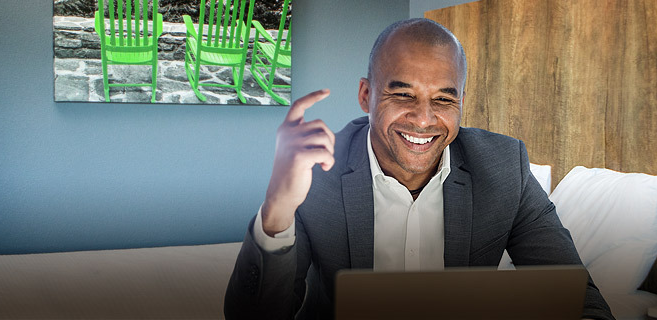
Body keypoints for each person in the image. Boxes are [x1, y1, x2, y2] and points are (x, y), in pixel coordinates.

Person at [224, 18, 614, 320]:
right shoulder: (317, 174)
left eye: (443, 99)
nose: (424, 120)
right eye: (403, 94)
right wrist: (277, 208)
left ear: (461, 100)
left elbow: (579, 300)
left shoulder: (504, 167)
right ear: (366, 95)